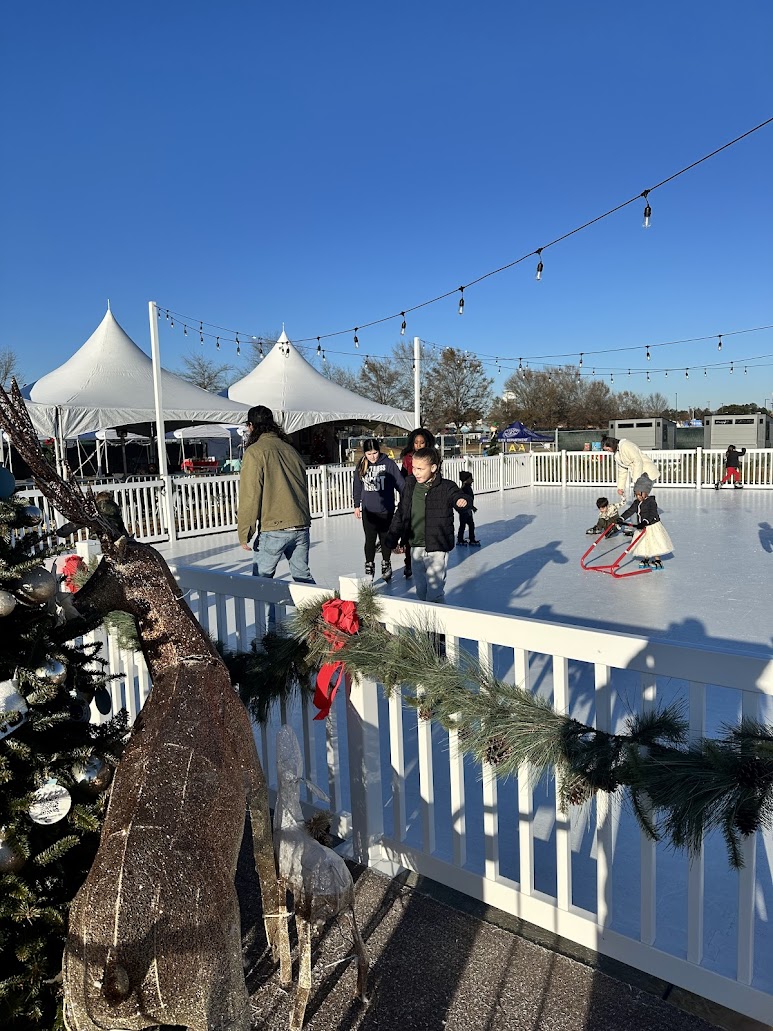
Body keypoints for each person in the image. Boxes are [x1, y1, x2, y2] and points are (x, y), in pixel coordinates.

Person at [237, 405, 315, 583]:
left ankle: (267, 607)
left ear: (251, 426)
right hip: (300, 524)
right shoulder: (290, 449)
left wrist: (245, 532)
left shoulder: (255, 452)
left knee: (261, 582)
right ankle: (324, 603)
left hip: (274, 526)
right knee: (303, 578)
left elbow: (250, 496)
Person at [386, 446, 467, 602]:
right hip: (416, 545)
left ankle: (437, 615)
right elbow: (401, 512)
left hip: (437, 545)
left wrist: (461, 501)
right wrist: (392, 537)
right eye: (414, 468)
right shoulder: (410, 484)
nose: (415, 472)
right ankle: (425, 616)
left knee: (434, 591)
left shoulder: (446, 486)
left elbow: (457, 496)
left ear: (433, 468)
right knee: (421, 589)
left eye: (420, 469)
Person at [352, 438, 405, 582]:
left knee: (385, 539)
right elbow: (357, 485)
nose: (373, 457)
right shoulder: (361, 465)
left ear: (379, 451)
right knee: (370, 540)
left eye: (375, 453)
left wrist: (406, 499)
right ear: (364, 453)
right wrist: (357, 505)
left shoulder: (388, 464)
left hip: (385, 510)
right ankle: (369, 565)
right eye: (369, 454)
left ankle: (386, 563)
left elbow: (400, 483)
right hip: (368, 511)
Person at [398, 428, 436, 578]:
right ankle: (409, 562)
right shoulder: (408, 458)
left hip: (427, 495)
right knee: (410, 529)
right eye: (416, 443)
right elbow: (401, 477)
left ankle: (428, 558)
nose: (419, 445)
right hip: (411, 496)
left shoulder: (432, 457)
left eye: (422, 443)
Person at [619, 473, 673, 570]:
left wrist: (644, 522)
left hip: (652, 526)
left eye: (640, 494)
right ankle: (646, 558)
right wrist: (621, 518)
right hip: (642, 526)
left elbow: (652, 514)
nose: (638, 497)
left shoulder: (651, 502)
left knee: (653, 543)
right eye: (636, 494)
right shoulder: (637, 503)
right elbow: (630, 511)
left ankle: (657, 561)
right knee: (643, 543)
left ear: (646, 492)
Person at [456, 471, 480, 545]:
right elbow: (467, 500)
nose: (472, 480)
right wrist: (471, 507)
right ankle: (463, 540)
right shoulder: (464, 489)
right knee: (465, 525)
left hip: (467, 510)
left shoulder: (467, 488)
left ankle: (466, 539)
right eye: (470, 478)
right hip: (465, 511)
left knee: (468, 525)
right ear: (466, 480)